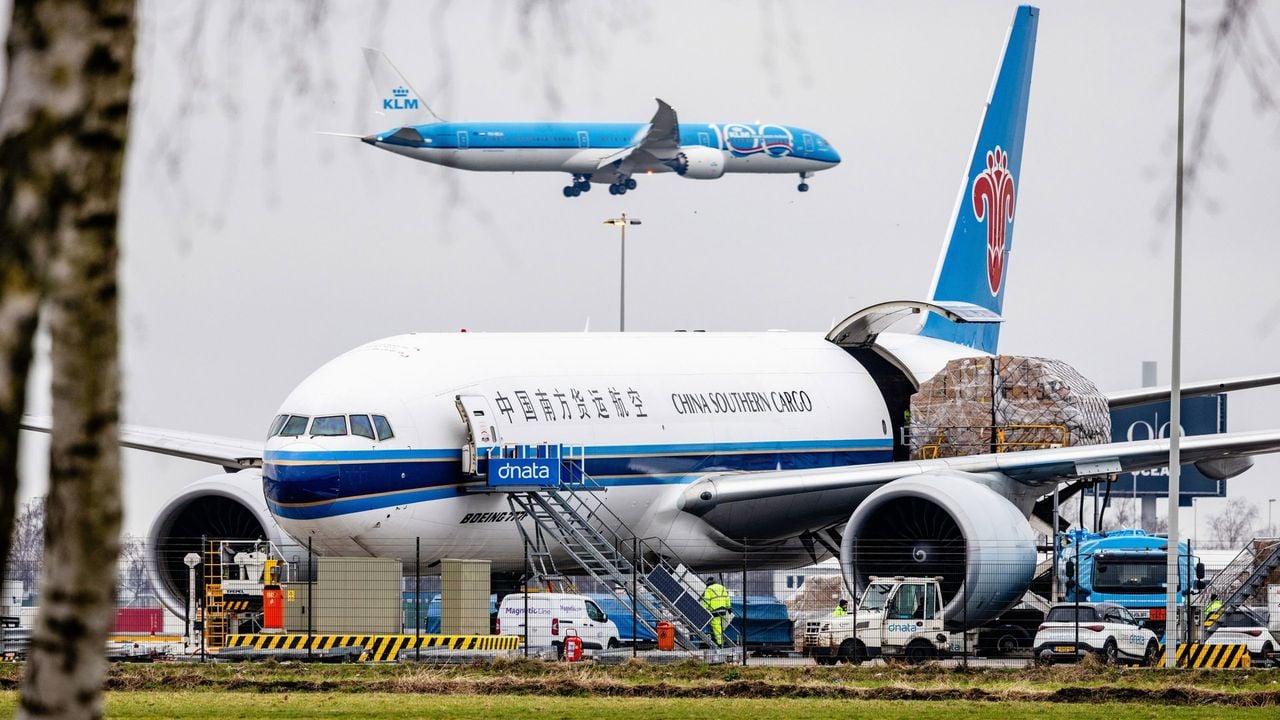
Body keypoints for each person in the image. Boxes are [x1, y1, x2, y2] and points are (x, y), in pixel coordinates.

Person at [702, 576, 731, 646]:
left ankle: (719, 643)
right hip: (723, 609)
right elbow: (727, 598)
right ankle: (720, 639)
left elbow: (707, 600)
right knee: (720, 625)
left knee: (716, 626)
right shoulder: (722, 587)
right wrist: (729, 607)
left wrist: (705, 609)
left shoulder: (709, 589)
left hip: (714, 609)